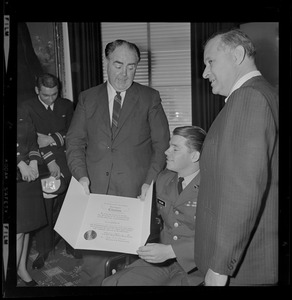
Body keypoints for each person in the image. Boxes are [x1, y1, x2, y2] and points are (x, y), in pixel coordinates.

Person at [66, 39, 170, 286]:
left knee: (134, 264)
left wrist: (149, 182)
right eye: (118, 64)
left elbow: (161, 146)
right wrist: (81, 176)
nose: (125, 73)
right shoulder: (87, 98)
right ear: (106, 63)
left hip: (136, 194)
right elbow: (74, 143)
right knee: (93, 262)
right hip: (94, 192)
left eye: (132, 67)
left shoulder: (149, 97)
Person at [190, 29, 279, 286]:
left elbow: (242, 190)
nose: (205, 72)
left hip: (243, 267)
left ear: (238, 55)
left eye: (210, 62)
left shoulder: (249, 99)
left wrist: (219, 267)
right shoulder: (262, 93)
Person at [102, 126, 206, 286]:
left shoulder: (214, 188)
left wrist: (172, 251)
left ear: (194, 156)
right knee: (112, 283)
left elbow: (219, 241)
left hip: (196, 266)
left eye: (175, 149)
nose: (166, 151)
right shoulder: (164, 179)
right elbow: (152, 218)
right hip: (162, 259)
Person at [19, 73, 75, 270]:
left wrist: (51, 138)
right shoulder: (26, 107)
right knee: (46, 208)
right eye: (46, 95)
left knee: (69, 205)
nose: (51, 99)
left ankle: (70, 243)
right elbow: (29, 140)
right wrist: (50, 159)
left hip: (67, 163)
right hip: (42, 166)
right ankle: (45, 248)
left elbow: (75, 133)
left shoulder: (67, 105)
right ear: (37, 91)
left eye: (54, 94)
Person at [16, 107, 47, 286]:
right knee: (17, 230)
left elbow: (33, 143)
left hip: (29, 176)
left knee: (27, 227)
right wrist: (20, 163)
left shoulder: (24, 112)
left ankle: (22, 269)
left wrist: (34, 162)